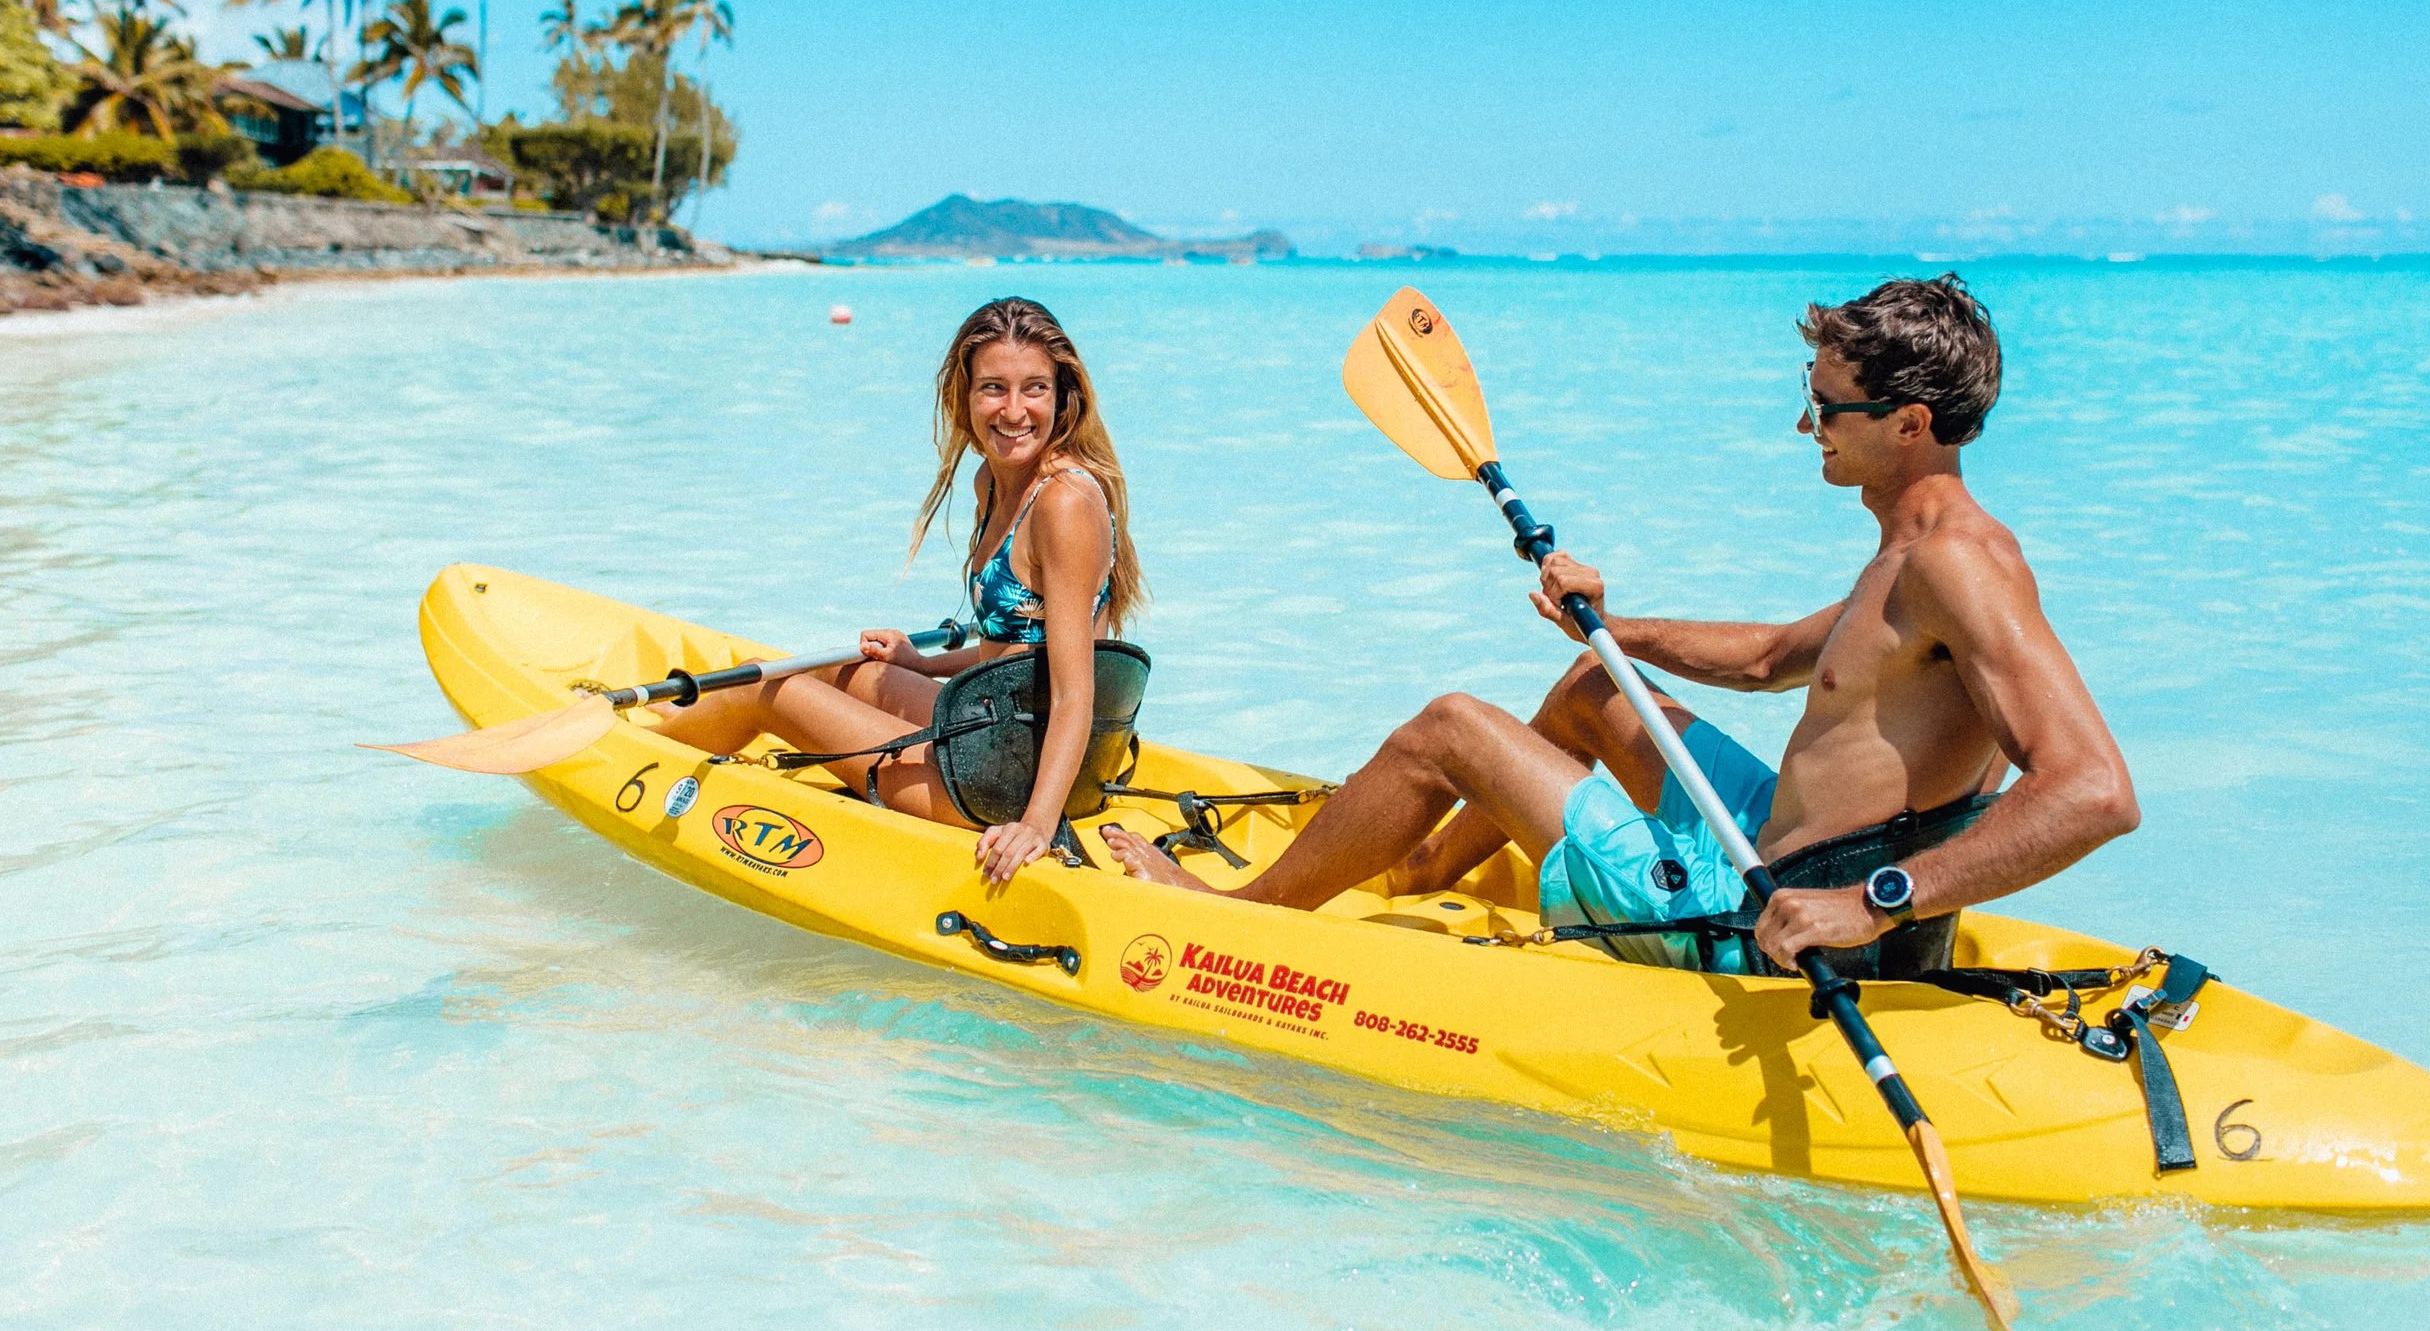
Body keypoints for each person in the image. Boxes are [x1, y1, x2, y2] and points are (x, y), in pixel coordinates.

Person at [1107, 273, 2137, 975]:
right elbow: (1777, 657)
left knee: (1452, 726)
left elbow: (2093, 789)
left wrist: (1872, 900)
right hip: (1776, 838)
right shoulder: (1918, 547)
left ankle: (1241, 916)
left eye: (1827, 407)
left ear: (1910, 423)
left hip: (1768, 920)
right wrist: (1614, 623)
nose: (1803, 424)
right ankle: (1417, 867)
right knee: (1596, 690)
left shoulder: (1959, 563)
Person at [659, 297, 1145, 884]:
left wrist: (1037, 826)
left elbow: (1075, 689)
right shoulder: (992, 479)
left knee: (763, 688)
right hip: (992, 723)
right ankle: (681, 732)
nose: (1013, 410)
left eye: (1034, 388)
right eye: (993, 387)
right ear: (963, 396)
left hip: (1003, 777)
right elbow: (1022, 644)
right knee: (832, 671)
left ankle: (642, 752)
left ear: (1062, 395)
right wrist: (924, 665)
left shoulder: (1063, 503)